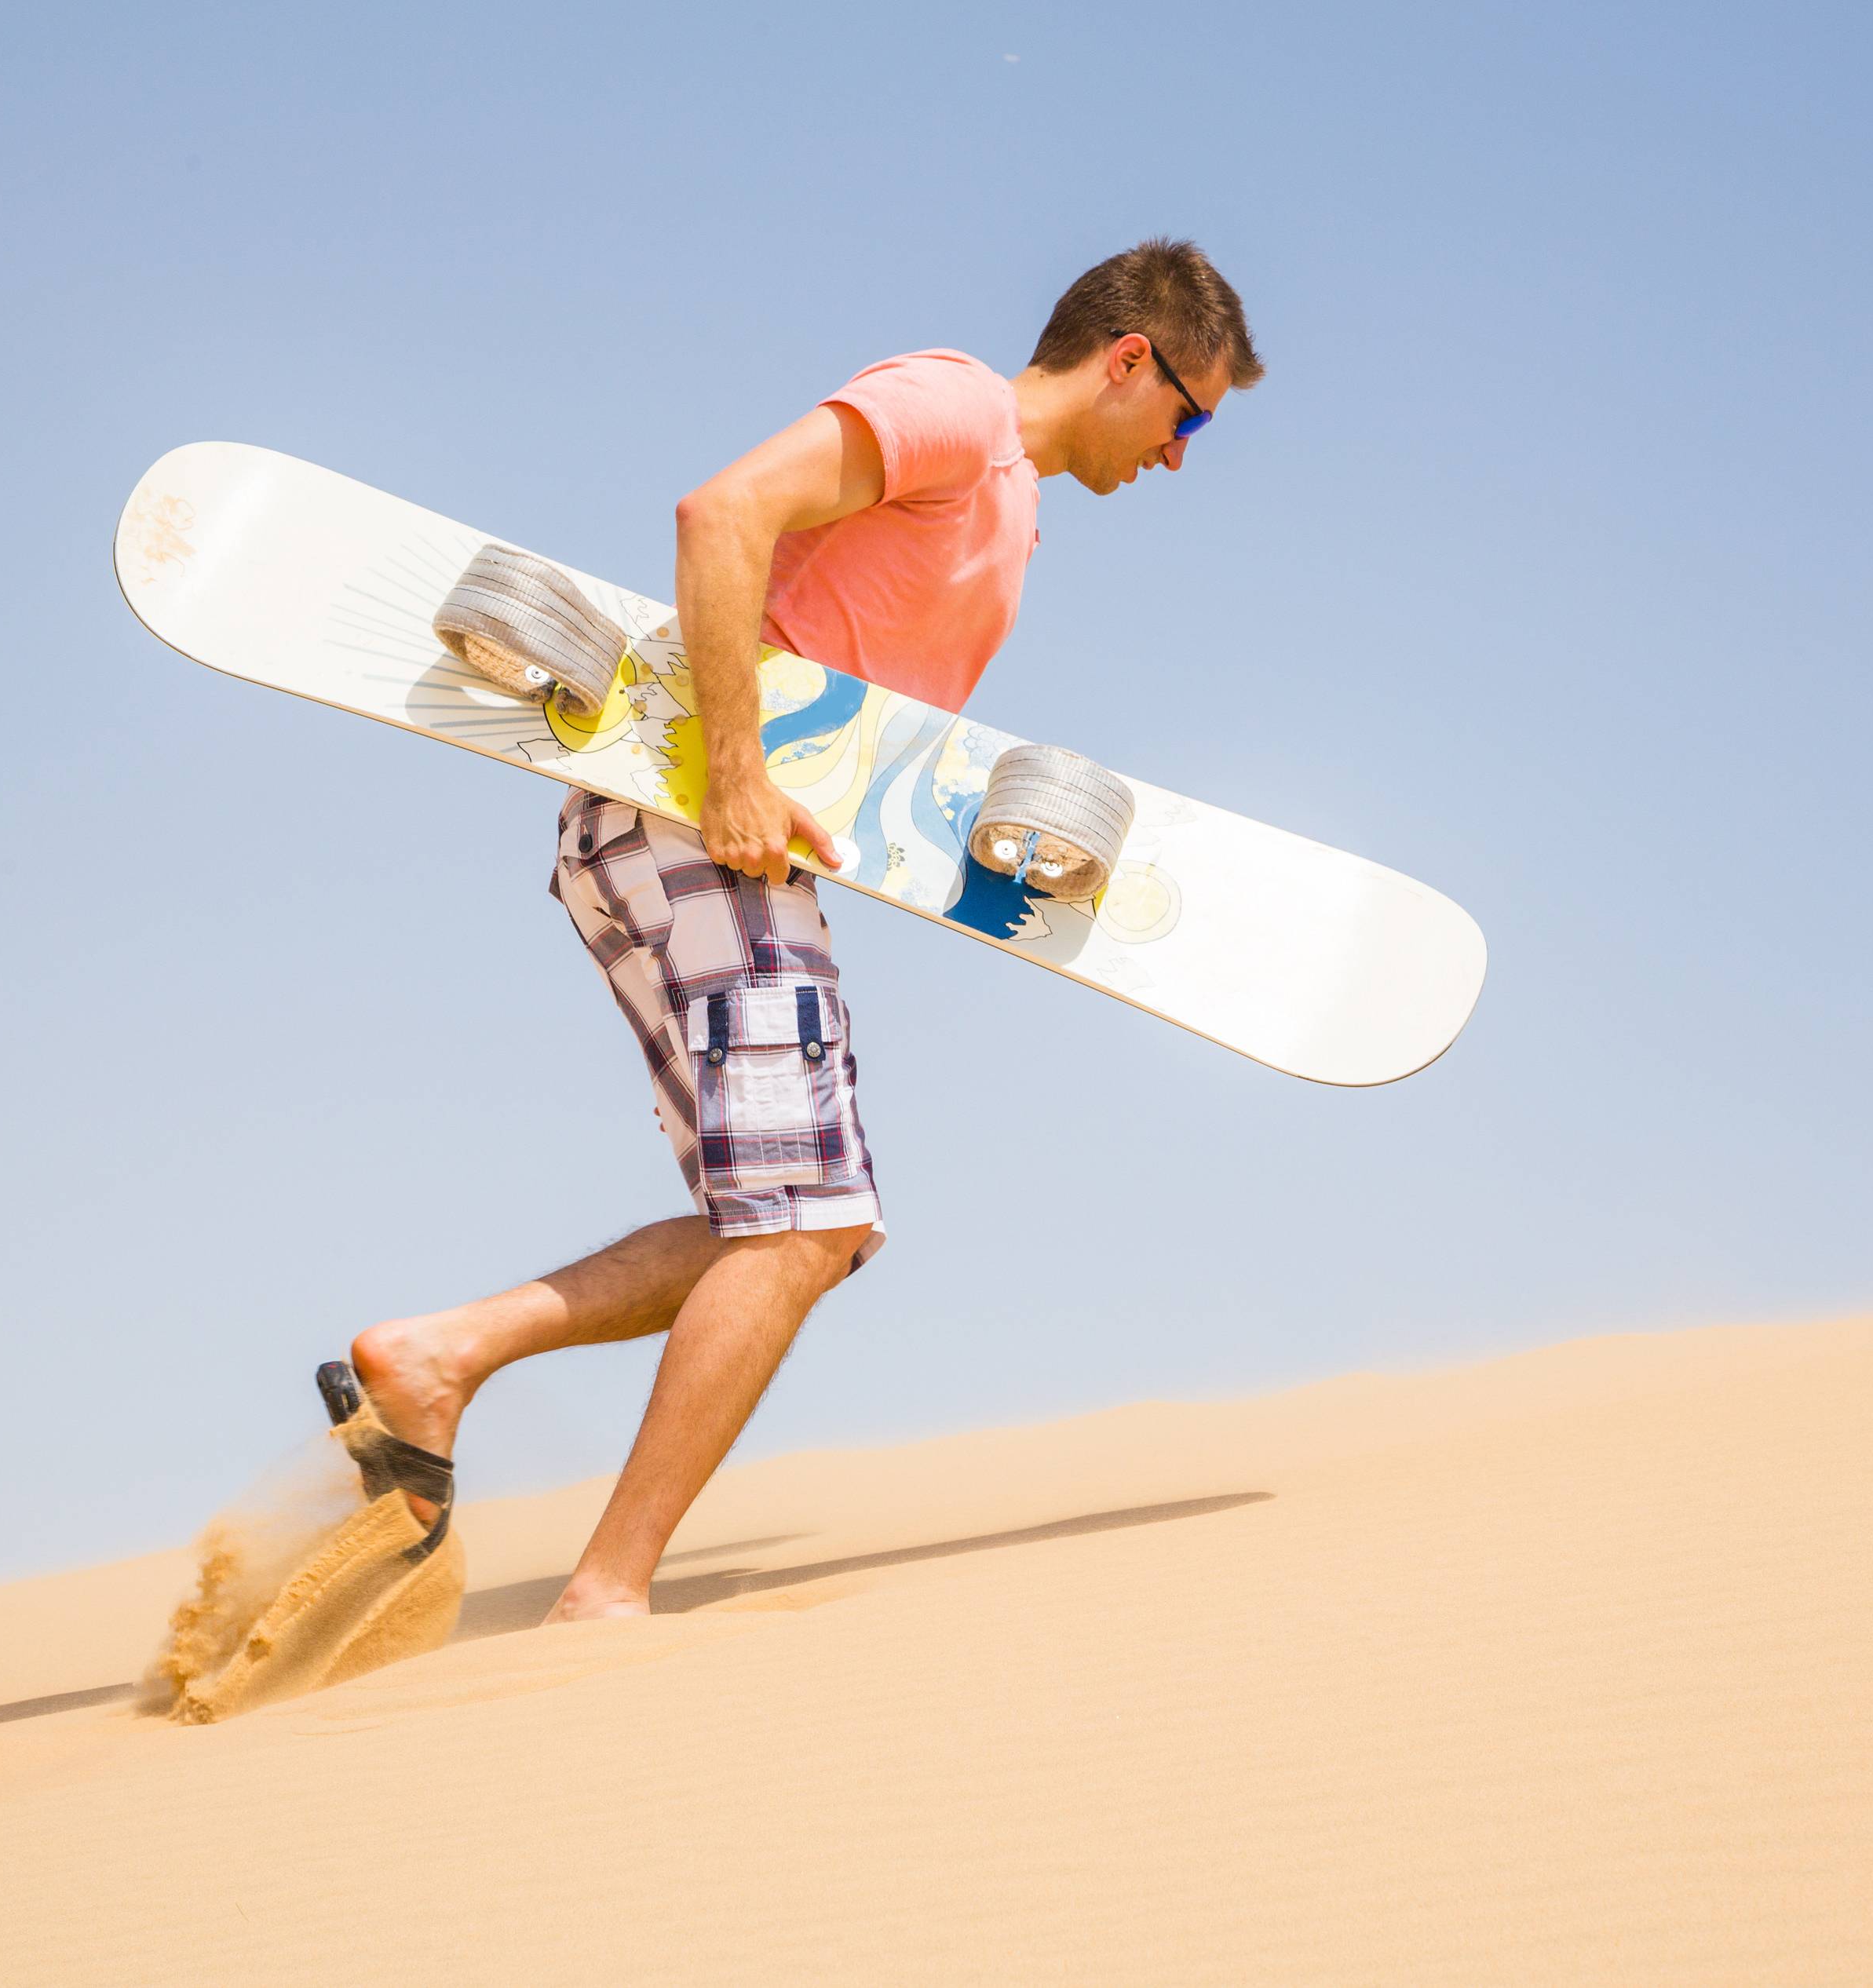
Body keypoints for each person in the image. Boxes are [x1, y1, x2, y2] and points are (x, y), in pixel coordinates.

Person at [349, 239, 1261, 1621]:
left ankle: (442, 1357)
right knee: (805, 1223)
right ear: (1130, 360)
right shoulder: (954, 407)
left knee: (806, 1229)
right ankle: (605, 1593)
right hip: (693, 822)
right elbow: (724, 513)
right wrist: (734, 772)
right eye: (1189, 416)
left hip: (727, 846)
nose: (1184, 457)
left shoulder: (1013, 509)